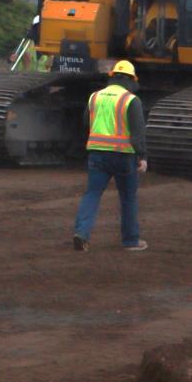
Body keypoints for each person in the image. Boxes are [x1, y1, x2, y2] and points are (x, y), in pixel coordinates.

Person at [72, 60, 148, 252]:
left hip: (97, 154)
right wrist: (143, 156)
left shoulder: (94, 97)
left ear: (112, 77)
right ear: (132, 80)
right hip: (124, 156)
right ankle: (130, 241)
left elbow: (85, 123)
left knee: (92, 194)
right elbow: (138, 134)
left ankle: (82, 233)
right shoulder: (131, 100)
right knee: (128, 198)